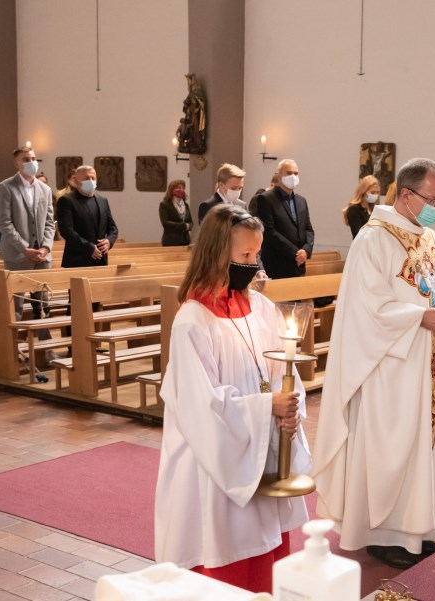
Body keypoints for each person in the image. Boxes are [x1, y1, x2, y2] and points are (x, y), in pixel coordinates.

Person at [312, 158, 435, 570]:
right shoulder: (373, 240)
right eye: (433, 199)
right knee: (391, 446)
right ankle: (382, 533)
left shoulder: (430, 237)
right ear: (406, 195)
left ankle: (415, 529)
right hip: (389, 367)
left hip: (427, 363)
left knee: (422, 444)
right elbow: (367, 309)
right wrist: (419, 317)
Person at [154, 203, 310, 593]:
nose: (254, 264)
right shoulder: (193, 319)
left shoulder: (260, 307)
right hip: (215, 461)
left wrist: (290, 408)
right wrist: (264, 408)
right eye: (244, 256)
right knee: (225, 548)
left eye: (256, 254)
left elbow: (281, 373)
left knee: (264, 545)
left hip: (260, 446)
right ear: (216, 253)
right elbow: (199, 405)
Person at [0, 146, 56, 341]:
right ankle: (12, 348)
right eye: (26, 159)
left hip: (42, 255)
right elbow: (3, 222)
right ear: (17, 163)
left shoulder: (44, 189)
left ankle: (45, 345)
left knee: (44, 301)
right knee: (16, 303)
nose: (31, 162)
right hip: (17, 254)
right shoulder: (6, 187)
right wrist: (24, 248)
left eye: (33, 158)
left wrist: (45, 247)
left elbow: (49, 222)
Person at [254, 159, 315, 279]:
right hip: (277, 263)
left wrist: (306, 251)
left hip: (299, 264)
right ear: (278, 175)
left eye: (296, 173)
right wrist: (295, 253)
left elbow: (308, 229)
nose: (293, 176)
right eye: (288, 173)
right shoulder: (265, 198)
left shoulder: (301, 200)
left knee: (298, 297)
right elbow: (270, 231)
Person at [56, 165, 118, 267]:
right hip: (77, 259)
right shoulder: (67, 200)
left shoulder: (102, 200)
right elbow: (66, 231)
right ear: (76, 181)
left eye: (93, 178)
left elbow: (113, 228)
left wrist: (109, 241)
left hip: (101, 259)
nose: (90, 181)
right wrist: (89, 247)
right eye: (86, 178)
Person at [158, 179, 193, 246]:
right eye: (179, 188)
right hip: (171, 241)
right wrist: (183, 226)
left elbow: (190, 222)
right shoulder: (165, 205)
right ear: (172, 190)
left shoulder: (185, 205)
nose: (181, 190)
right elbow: (165, 223)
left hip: (185, 241)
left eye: (183, 188)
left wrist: (189, 226)